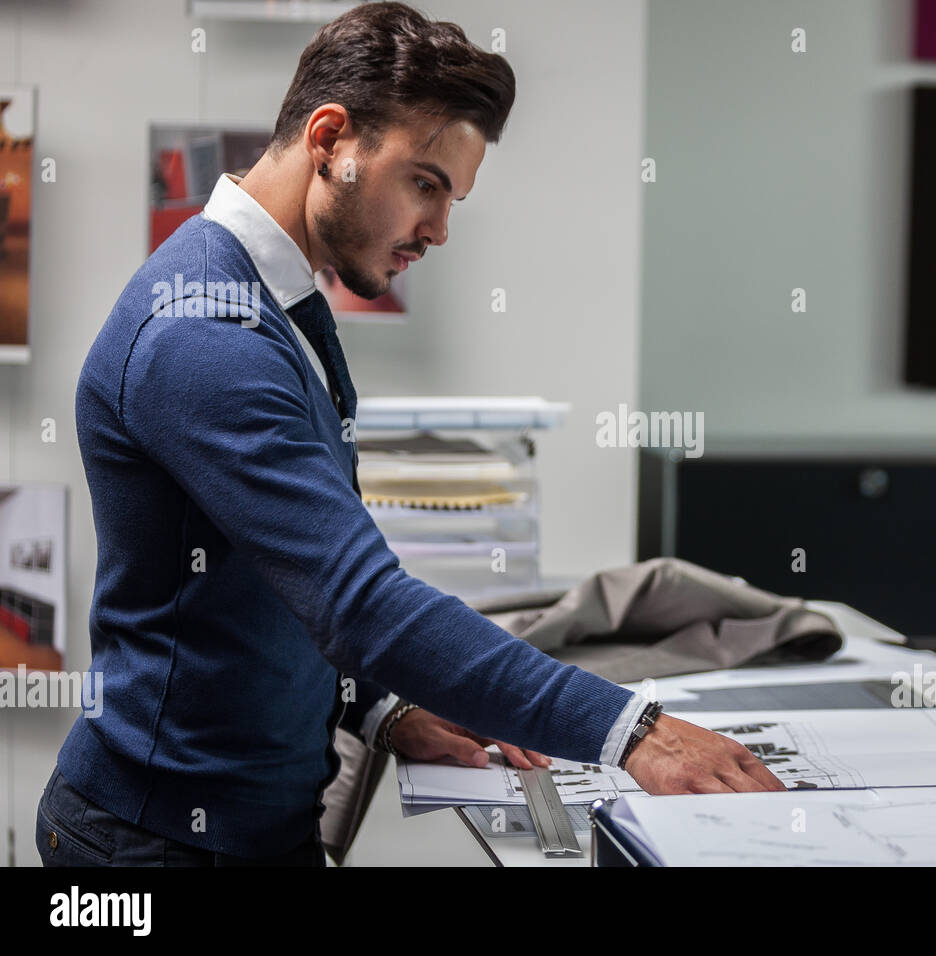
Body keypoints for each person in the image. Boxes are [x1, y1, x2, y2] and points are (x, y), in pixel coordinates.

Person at [37, 1, 782, 867]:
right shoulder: (203, 334)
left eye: (453, 198)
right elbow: (360, 604)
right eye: (425, 183)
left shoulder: (276, 304)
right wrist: (633, 732)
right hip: (154, 843)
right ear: (331, 141)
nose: (438, 230)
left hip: (243, 825)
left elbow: (282, 581)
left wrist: (383, 709)